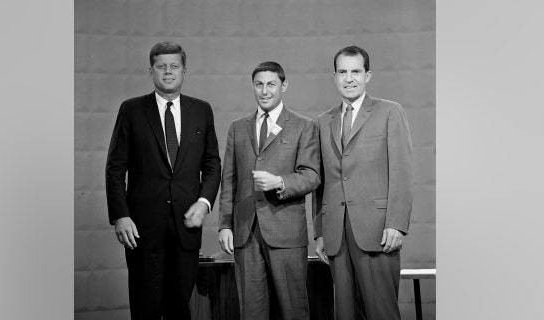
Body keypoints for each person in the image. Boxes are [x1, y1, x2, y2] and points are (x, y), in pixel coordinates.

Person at [105, 41, 221, 320]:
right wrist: (120, 216)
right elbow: (115, 167)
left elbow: (212, 163)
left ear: (183, 71)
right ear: (151, 71)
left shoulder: (201, 110)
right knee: (146, 310)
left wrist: (204, 202)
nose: (168, 72)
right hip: (143, 229)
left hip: (186, 228)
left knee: (179, 309)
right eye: (161, 67)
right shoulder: (131, 110)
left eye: (174, 66)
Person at [312, 45, 414, 320]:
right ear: (334, 77)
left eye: (356, 71)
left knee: (382, 313)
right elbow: (321, 182)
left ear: (368, 75)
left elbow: (402, 172)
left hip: (377, 231)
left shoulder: (390, 112)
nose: (349, 78)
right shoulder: (323, 122)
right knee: (345, 314)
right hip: (337, 236)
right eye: (342, 72)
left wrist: (396, 223)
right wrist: (320, 230)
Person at [218, 61, 321, 320]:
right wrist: (225, 225)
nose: (265, 91)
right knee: (251, 312)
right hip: (246, 234)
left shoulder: (303, 126)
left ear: (283, 86)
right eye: (259, 84)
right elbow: (228, 180)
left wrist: (280, 182)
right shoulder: (237, 127)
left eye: (271, 84)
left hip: (285, 233)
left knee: (294, 310)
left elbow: (311, 176)